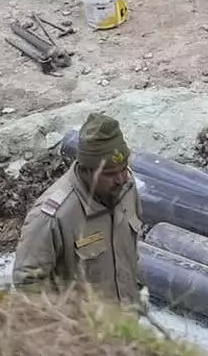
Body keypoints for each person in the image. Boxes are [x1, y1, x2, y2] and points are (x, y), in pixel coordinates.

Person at [11, 113, 144, 304]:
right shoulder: (54, 217)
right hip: (85, 330)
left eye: (124, 168)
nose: (122, 178)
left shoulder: (126, 189)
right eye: (111, 174)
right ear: (88, 171)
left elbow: (130, 254)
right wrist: (69, 324)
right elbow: (28, 284)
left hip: (126, 324)